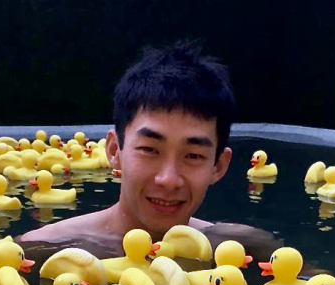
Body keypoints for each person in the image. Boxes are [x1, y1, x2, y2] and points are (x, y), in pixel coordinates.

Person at [19, 42, 276, 258]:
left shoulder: (247, 249)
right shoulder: (41, 250)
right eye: (149, 150)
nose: (168, 179)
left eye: (193, 155)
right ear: (114, 150)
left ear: (218, 166)